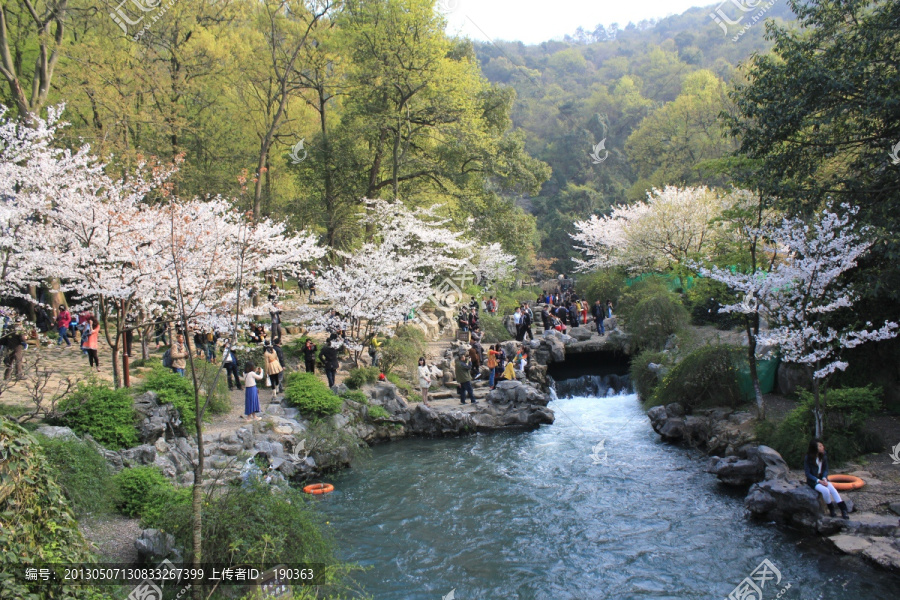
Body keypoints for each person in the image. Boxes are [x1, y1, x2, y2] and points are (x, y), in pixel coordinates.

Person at [804, 439, 849, 519]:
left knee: (832, 489)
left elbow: (825, 469)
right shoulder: (808, 458)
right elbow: (808, 474)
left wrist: (824, 478)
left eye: (822, 445)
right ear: (815, 448)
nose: (822, 447)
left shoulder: (824, 455)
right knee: (825, 491)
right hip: (814, 481)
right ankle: (831, 508)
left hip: (822, 478)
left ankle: (843, 510)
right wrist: (818, 481)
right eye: (820, 446)